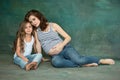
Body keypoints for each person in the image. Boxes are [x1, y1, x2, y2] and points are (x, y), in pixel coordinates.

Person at [24, 9, 115, 68]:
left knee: (79, 59)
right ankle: (83, 65)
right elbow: (38, 44)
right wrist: (40, 56)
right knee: (56, 63)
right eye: (30, 21)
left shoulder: (53, 25)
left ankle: (100, 60)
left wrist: (61, 46)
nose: (33, 23)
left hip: (65, 49)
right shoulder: (36, 31)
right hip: (55, 55)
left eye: (34, 19)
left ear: (39, 17)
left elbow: (68, 37)